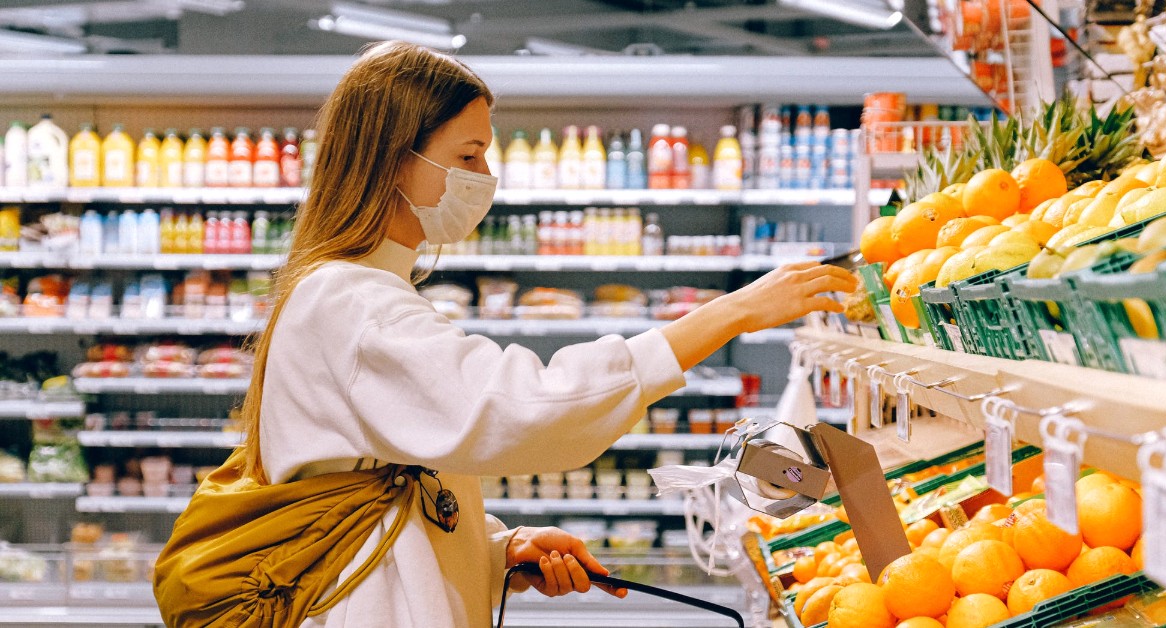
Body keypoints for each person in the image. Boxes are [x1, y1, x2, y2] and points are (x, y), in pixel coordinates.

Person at [234, 41, 856, 628]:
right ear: (395, 157)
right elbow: (520, 408)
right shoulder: (351, 303)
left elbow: (382, 486)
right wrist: (730, 313)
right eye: (468, 156)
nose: (486, 176)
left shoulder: (354, 290)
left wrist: (498, 548)